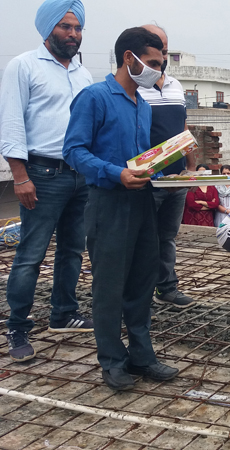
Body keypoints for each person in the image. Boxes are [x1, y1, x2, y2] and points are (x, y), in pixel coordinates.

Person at [63, 27, 179, 391]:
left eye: (161, 66)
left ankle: (142, 355)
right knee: (110, 286)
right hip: (109, 202)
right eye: (154, 63)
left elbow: (140, 159)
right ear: (130, 58)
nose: (158, 73)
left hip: (141, 201)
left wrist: (172, 168)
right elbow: (73, 150)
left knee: (143, 281)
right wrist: (116, 173)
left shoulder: (142, 106)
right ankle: (112, 361)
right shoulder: (95, 97)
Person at [0, 0, 94, 363]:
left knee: (72, 250)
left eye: (77, 28)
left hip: (78, 174)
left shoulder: (83, 75)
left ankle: (63, 313)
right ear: (47, 29)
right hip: (41, 174)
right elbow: (11, 125)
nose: (72, 34)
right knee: (31, 255)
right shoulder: (24, 66)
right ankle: (18, 325)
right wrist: (20, 177)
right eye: (65, 26)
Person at [137, 23, 196, 309]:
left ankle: (167, 287)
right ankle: (140, 291)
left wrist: (191, 167)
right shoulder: (134, 87)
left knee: (167, 236)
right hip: (148, 178)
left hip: (177, 178)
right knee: (143, 236)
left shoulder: (175, 86)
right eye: (155, 47)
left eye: (164, 49)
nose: (161, 54)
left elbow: (182, 128)